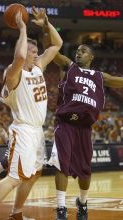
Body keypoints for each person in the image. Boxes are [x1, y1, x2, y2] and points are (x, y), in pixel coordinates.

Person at [0, 6, 62, 220]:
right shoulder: (12, 73)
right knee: (14, 177)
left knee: (33, 175)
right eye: (32, 52)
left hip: (37, 131)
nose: (35, 55)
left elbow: (57, 44)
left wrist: (46, 24)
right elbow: (20, 55)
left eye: (35, 52)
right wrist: (22, 28)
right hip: (22, 130)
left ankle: (17, 213)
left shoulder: (38, 66)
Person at [42, 25, 123, 220]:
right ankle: (61, 208)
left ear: (91, 57)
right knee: (62, 165)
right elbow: (51, 52)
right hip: (65, 124)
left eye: (83, 51)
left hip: (85, 128)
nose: (79, 53)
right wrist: (45, 27)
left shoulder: (98, 77)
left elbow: (118, 80)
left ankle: (83, 202)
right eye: (77, 51)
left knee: (86, 171)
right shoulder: (69, 67)